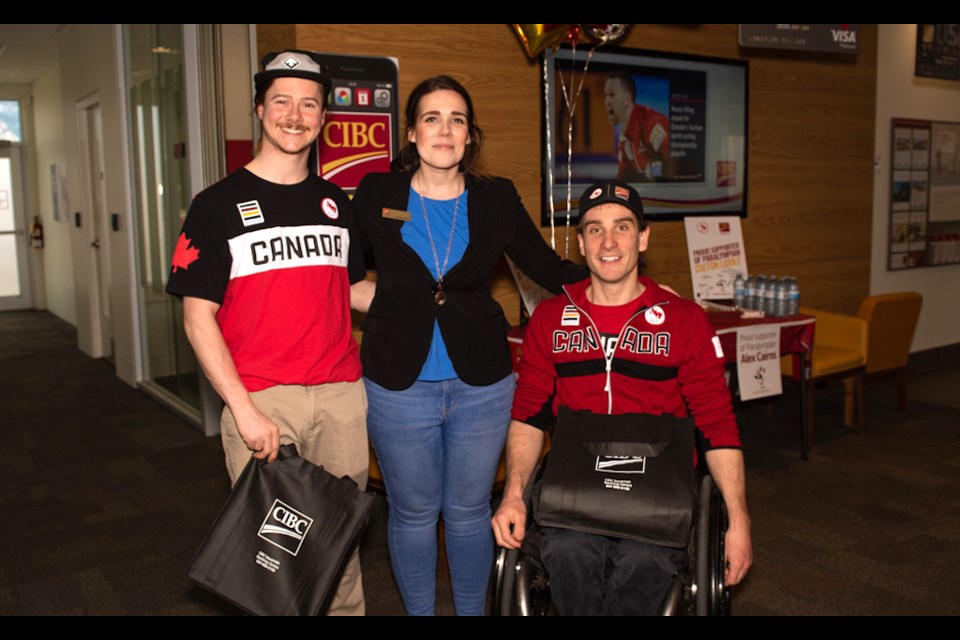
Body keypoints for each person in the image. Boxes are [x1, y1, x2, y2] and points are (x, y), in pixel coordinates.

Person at [351, 75, 587, 616]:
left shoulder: (496, 198)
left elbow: (548, 267)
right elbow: (342, 275)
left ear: (469, 135)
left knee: (465, 512)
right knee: (412, 513)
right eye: (431, 118)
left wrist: (625, 287)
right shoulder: (375, 195)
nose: (445, 130)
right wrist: (393, 304)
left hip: (482, 383)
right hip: (397, 383)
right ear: (411, 133)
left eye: (457, 119)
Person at [165, 50, 374, 616]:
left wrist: (438, 301)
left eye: (310, 104)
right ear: (260, 110)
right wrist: (244, 410)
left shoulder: (337, 205)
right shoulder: (215, 207)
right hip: (261, 400)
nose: (295, 114)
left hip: (339, 398)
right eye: (281, 100)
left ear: (324, 118)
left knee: (340, 546)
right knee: (273, 557)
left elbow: (350, 290)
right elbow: (197, 317)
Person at [492, 179, 752, 616]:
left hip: (655, 491)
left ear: (643, 237)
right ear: (580, 242)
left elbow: (717, 424)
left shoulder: (685, 322)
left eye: (622, 227)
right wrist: (514, 493)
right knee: (568, 553)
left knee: (644, 561)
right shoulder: (551, 320)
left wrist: (739, 518)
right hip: (576, 486)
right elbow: (529, 415)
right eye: (594, 229)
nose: (608, 242)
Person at [604, 72, 670, 182]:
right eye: (605, 95)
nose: (606, 102)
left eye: (611, 95)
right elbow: (623, 178)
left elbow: (677, 164)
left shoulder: (651, 124)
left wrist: (654, 171)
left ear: (627, 99)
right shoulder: (624, 139)